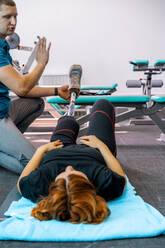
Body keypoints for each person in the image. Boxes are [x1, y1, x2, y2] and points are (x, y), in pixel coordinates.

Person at [17, 99, 126, 224]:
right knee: (102, 104)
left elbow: (20, 183)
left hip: (58, 148)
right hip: (94, 150)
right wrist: (102, 147)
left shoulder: (39, 184)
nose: (69, 168)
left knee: (67, 121)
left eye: (63, 175)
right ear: (90, 188)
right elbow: (121, 177)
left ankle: (68, 117)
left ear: (53, 187)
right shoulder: (104, 184)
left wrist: (40, 151)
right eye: (75, 174)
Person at [0, 0, 70, 174]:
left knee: (36, 103)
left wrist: (56, 91)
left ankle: (9, 144)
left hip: (4, 112)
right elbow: (22, 87)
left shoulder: (4, 47)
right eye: (7, 17)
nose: (13, 22)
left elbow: (21, 89)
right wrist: (41, 64)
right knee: (36, 167)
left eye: (15, 16)